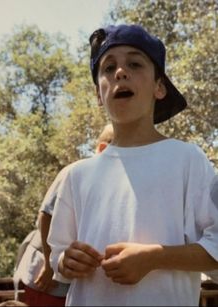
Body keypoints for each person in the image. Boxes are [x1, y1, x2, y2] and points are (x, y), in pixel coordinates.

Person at [47, 24, 218, 306]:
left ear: (159, 87)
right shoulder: (77, 176)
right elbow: (58, 260)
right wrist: (68, 261)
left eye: (135, 63)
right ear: (98, 96)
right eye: (108, 67)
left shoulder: (188, 160)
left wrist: (154, 258)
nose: (120, 72)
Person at [13, 124, 114, 307]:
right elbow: (46, 215)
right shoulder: (75, 172)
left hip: (73, 280)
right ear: (102, 149)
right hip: (45, 275)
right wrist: (49, 265)